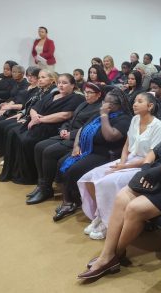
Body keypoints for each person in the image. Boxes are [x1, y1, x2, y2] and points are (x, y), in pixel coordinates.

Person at [77, 98, 161, 280]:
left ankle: (112, 255)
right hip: (158, 179)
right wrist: (148, 166)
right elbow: (154, 151)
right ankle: (108, 254)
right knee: (121, 198)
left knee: (134, 209)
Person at [78, 93, 161, 239]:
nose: (135, 104)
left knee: (107, 182)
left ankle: (109, 223)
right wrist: (122, 161)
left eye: (140, 101)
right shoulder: (135, 119)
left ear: (150, 106)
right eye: (135, 101)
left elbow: (152, 157)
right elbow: (127, 143)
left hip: (144, 165)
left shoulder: (158, 126)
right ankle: (101, 215)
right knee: (89, 177)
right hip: (129, 159)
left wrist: (125, 166)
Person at [54, 88, 133, 221]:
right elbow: (82, 128)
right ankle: (72, 199)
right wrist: (76, 145)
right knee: (63, 161)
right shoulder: (99, 114)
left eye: (106, 102)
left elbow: (110, 136)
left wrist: (104, 116)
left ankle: (69, 202)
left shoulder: (124, 119)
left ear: (114, 106)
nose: (102, 104)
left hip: (105, 154)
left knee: (74, 169)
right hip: (88, 149)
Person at [26, 82, 103, 204]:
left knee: (49, 152)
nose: (86, 95)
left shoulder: (99, 109)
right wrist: (63, 129)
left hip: (79, 139)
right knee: (38, 146)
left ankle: (46, 188)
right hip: (66, 134)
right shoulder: (83, 104)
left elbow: (89, 128)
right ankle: (41, 184)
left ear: (98, 95)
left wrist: (71, 134)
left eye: (90, 93)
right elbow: (70, 120)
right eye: (85, 92)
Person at [7, 73, 85, 184]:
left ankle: (32, 176)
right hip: (37, 123)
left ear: (72, 85)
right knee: (15, 134)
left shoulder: (76, 98)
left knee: (27, 140)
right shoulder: (53, 94)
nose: (61, 85)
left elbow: (65, 115)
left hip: (54, 126)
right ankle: (17, 171)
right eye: (59, 83)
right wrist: (34, 116)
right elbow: (34, 107)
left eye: (65, 83)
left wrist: (39, 120)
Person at [0, 70, 58, 182]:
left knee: (13, 131)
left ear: (52, 80)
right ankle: (12, 162)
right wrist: (22, 113)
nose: (40, 79)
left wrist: (28, 118)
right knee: (8, 129)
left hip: (41, 121)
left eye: (43, 77)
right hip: (29, 116)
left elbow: (45, 110)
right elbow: (30, 105)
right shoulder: (41, 90)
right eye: (39, 77)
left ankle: (18, 167)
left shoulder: (54, 92)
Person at [0, 67, 41, 162]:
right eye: (28, 76)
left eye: (32, 76)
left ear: (38, 77)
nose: (30, 78)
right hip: (12, 108)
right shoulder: (28, 86)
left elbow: (25, 105)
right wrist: (7, 105)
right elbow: (16, 97)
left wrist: (9, 107)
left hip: (19, 111)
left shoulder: (37, 90)